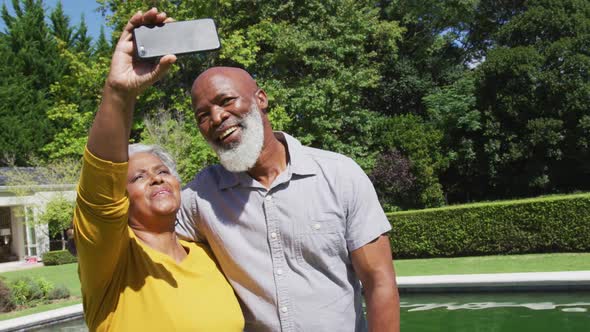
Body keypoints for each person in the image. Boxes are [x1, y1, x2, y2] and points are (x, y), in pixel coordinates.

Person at [176, 66, 400, 331]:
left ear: (261, 99)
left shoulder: (339, 174)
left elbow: (379, 281)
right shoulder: (199, 198)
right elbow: (134, 240)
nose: (216, 117)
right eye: (202, 115)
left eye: (226, 101)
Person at [73, 9, 243, 331]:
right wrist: (120, 92)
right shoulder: (111, 262)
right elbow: (99, 190)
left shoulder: (208, 254)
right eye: (138, 177)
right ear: (120, 199)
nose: (156, 178)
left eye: (163, 171)